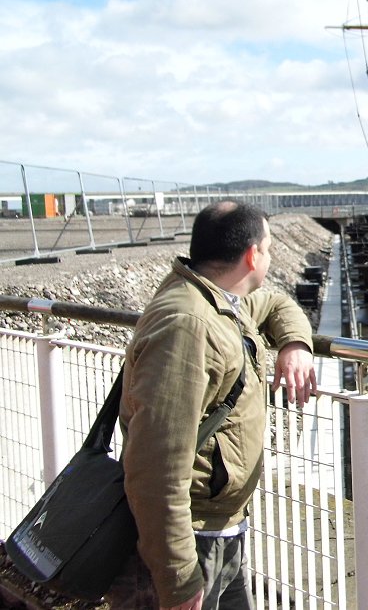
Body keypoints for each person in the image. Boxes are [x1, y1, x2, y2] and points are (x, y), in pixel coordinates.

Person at [111, 200, 317, 610]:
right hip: (193, 541)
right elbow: (156, 464)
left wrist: (295, 345)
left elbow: (276, 304)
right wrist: (178, 577)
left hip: (221, 529)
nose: (271, 257)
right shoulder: (189, 325)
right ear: (251, 254)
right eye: (270, 248)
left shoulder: (216, 301)